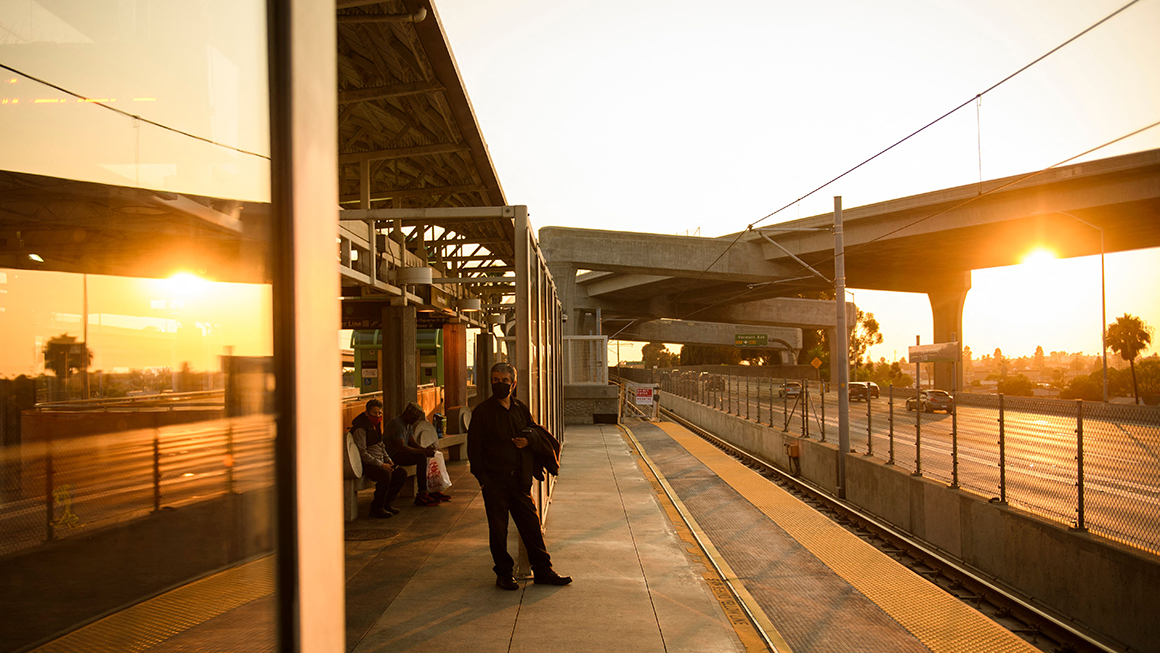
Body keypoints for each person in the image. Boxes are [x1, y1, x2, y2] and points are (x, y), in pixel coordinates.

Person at [468, 362, 571, 590]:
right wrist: (483, 481)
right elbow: (474, 450)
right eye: (496, 380)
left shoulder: (521, 409)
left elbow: (534, 430)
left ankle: (543, 570)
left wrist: (528, 440)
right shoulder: (482, 412)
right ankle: (504, 573)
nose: (500, 385)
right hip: (494, 481)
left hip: (519, 481)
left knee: (531, 526)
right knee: (498, 531)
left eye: (505, 381)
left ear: (513, 384)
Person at [349, 398, 408, 519]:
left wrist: (388, 460)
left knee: (401, 473)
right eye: (374, 413)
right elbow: (362, 452)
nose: (377, 415)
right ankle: (376, 508)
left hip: (379, 461)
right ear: (367, 413)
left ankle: (387, 503)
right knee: (385, 475)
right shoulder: (361, 428)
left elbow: (381, 445)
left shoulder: (376, 426)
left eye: (380, 413)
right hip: (366, 464)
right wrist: (380, 465)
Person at [383, 401, 447, 506]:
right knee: (421, 457)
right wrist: (423, 452)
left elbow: (412, 443)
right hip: (392, 455)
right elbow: (401, 448)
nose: (414, 421)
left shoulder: (408, 424)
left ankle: (433, 489)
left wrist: (425, 449)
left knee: (428, 456)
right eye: (414, 419)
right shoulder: (396, 424)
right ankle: (422, 493)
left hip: (401, 452)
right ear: (408, 414)